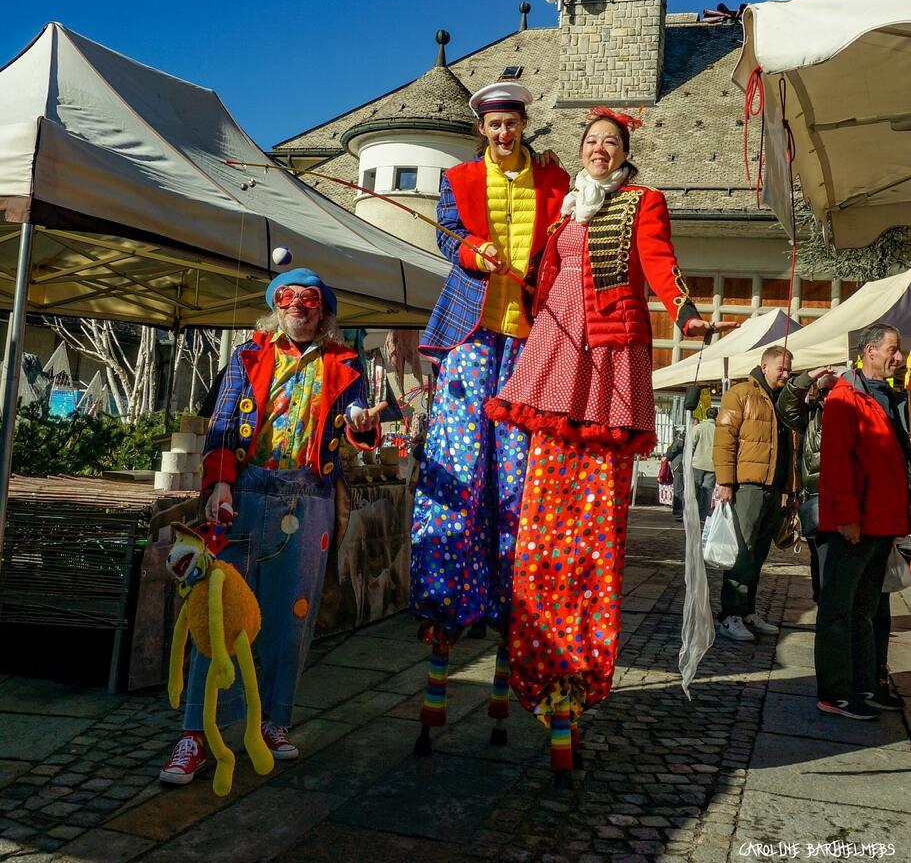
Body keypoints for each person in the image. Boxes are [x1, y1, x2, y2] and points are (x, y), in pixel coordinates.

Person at [486, 106, 734, 780]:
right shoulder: (566, 208)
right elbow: (539, 276)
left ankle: (576, 665)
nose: (599, 150)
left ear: (623, 153)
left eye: (610, 143)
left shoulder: (640, 200)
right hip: (551, 349)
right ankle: (529, 661)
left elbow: (658, 262)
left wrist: (683, 308)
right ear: (581, 150)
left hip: (603, 354)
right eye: (591, 142)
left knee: (591, 495)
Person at [160, 268, 383, 785]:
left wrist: (362, 424)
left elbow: (355, 418)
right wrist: (218, 484)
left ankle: (273, 722)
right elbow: (219, 423)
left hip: (311, 497)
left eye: (310, 300)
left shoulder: (344, 362)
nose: (299, 307)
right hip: (245, 494)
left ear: (323, 311)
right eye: (289, 298)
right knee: (219, 616)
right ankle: (195, 735)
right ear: (275, 306)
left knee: (292, 620)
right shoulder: (247, 356)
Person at [410, 82, 569, 751]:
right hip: (473, 334)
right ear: (481, 130)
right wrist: (473, 251)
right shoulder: (459, 177)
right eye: (493, 124)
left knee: (517, 480)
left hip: (531, 336)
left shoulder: (556, 179)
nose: (503, 133)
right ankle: (448, 599)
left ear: (524, 123)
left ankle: (513, 599)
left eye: (511, 123)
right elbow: (450, 238)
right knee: (457, 465)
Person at [815, 323, 910, 719]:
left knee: (866, 608)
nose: (899, 357)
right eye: (892, 349)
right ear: (869, 351)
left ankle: (865, 683)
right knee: (839, 608)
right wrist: (848, 518)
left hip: (883, 523)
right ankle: (835, 691)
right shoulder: (845, 397)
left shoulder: (888, 397)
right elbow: (837, 465)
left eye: (899, 350)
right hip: (855, 525)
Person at [713, 345, 797, 642]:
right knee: (742, 553)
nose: (786, 374)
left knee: (759, 555)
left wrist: (791, 489)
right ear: (765, 367)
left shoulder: (783, 401)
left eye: (789, 369)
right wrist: (725, 482)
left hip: (774, 489)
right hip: (748, 486)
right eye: (782, 369)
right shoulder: (741, 394)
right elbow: (724, 440)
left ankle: (747, 612)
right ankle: (729, 615)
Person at [777, 365, 839, 603]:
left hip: (846, 497)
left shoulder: (854, 411)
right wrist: (810, 376)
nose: (829, 396)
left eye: (834, 389)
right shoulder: (812, 415)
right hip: (816, 497)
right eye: (824, 392)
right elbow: (786, 405)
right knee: (820, 556)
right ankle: (824, 604)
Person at [691, 407, 717, 522]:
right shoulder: (719, 430)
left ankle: (693, 514)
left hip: (697, 463)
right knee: (707, 491)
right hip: (712, 465)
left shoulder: (698, 427)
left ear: (706, 416)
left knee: (695, 489)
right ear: (717, 417)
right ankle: (703, 516)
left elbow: (691, 444)